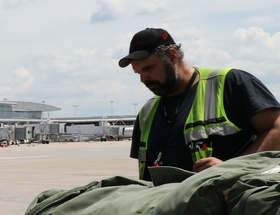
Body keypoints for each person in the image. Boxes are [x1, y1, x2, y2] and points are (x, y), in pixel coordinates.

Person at [120, 28, 280, 180]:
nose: (143, 79)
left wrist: (235, 168)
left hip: (226, 203)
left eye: (148, 68)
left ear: (172, 56)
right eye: (138, 72)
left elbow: (277, 128)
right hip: (167, 204)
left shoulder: (229, 84)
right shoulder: (146, 113)